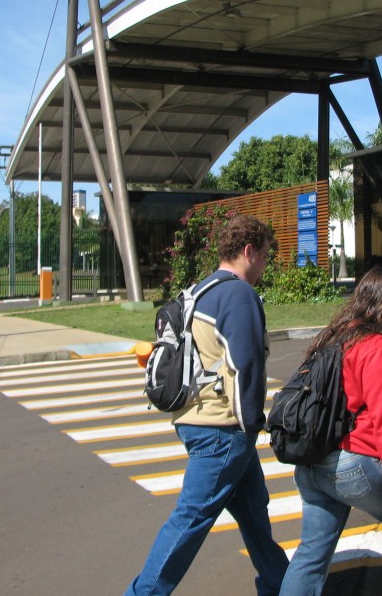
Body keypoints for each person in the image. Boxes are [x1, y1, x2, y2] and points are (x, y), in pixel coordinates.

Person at [125, 214, 288, 596]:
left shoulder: (201, 290)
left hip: (199, 420)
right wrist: (253, 423)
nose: (265, 263)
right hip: (223, 431)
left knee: (254, 519)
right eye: (265, 255)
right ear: (249, 252)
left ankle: (284, 588)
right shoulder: (239, 294)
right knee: (189, 521)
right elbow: (244, 364)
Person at [279, 267, 382, 596]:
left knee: (312, 554)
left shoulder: (334, 336)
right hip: (353, 465)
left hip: (312, 464)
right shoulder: (375, 346)